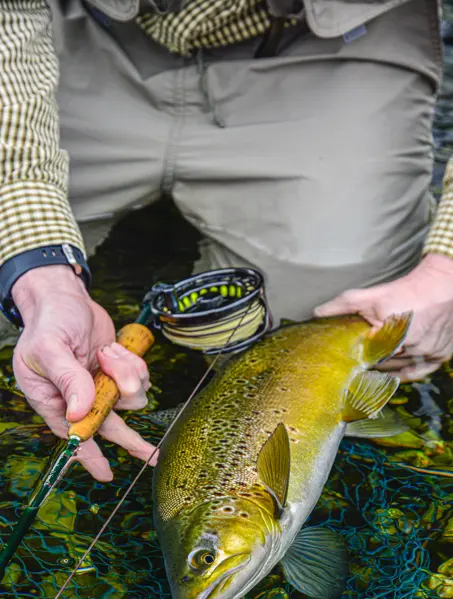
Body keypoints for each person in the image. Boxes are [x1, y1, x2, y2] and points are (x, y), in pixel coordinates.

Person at [1, 0, 453, 482]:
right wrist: (39, 277)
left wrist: (445, 267)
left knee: (358, 322)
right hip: (73, 33)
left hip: (335, 49)